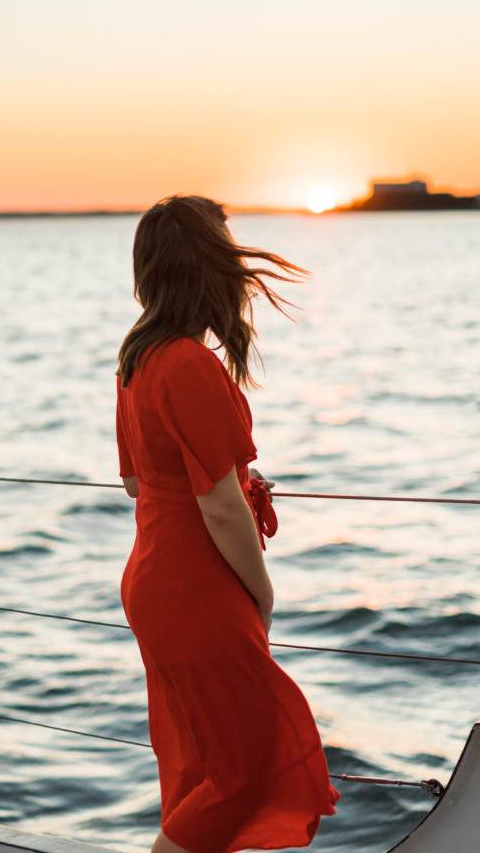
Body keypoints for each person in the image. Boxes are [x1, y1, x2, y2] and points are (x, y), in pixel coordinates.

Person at [115, 195, 339, 853]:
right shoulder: (188, 363)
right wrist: (261, 590)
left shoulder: (139, 359)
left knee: (199, 761)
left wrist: (230, 481)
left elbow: (139, 481)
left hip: (155, 581)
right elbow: (216, 506)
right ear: (206, 267)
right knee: (247, 768)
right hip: (196, 590)